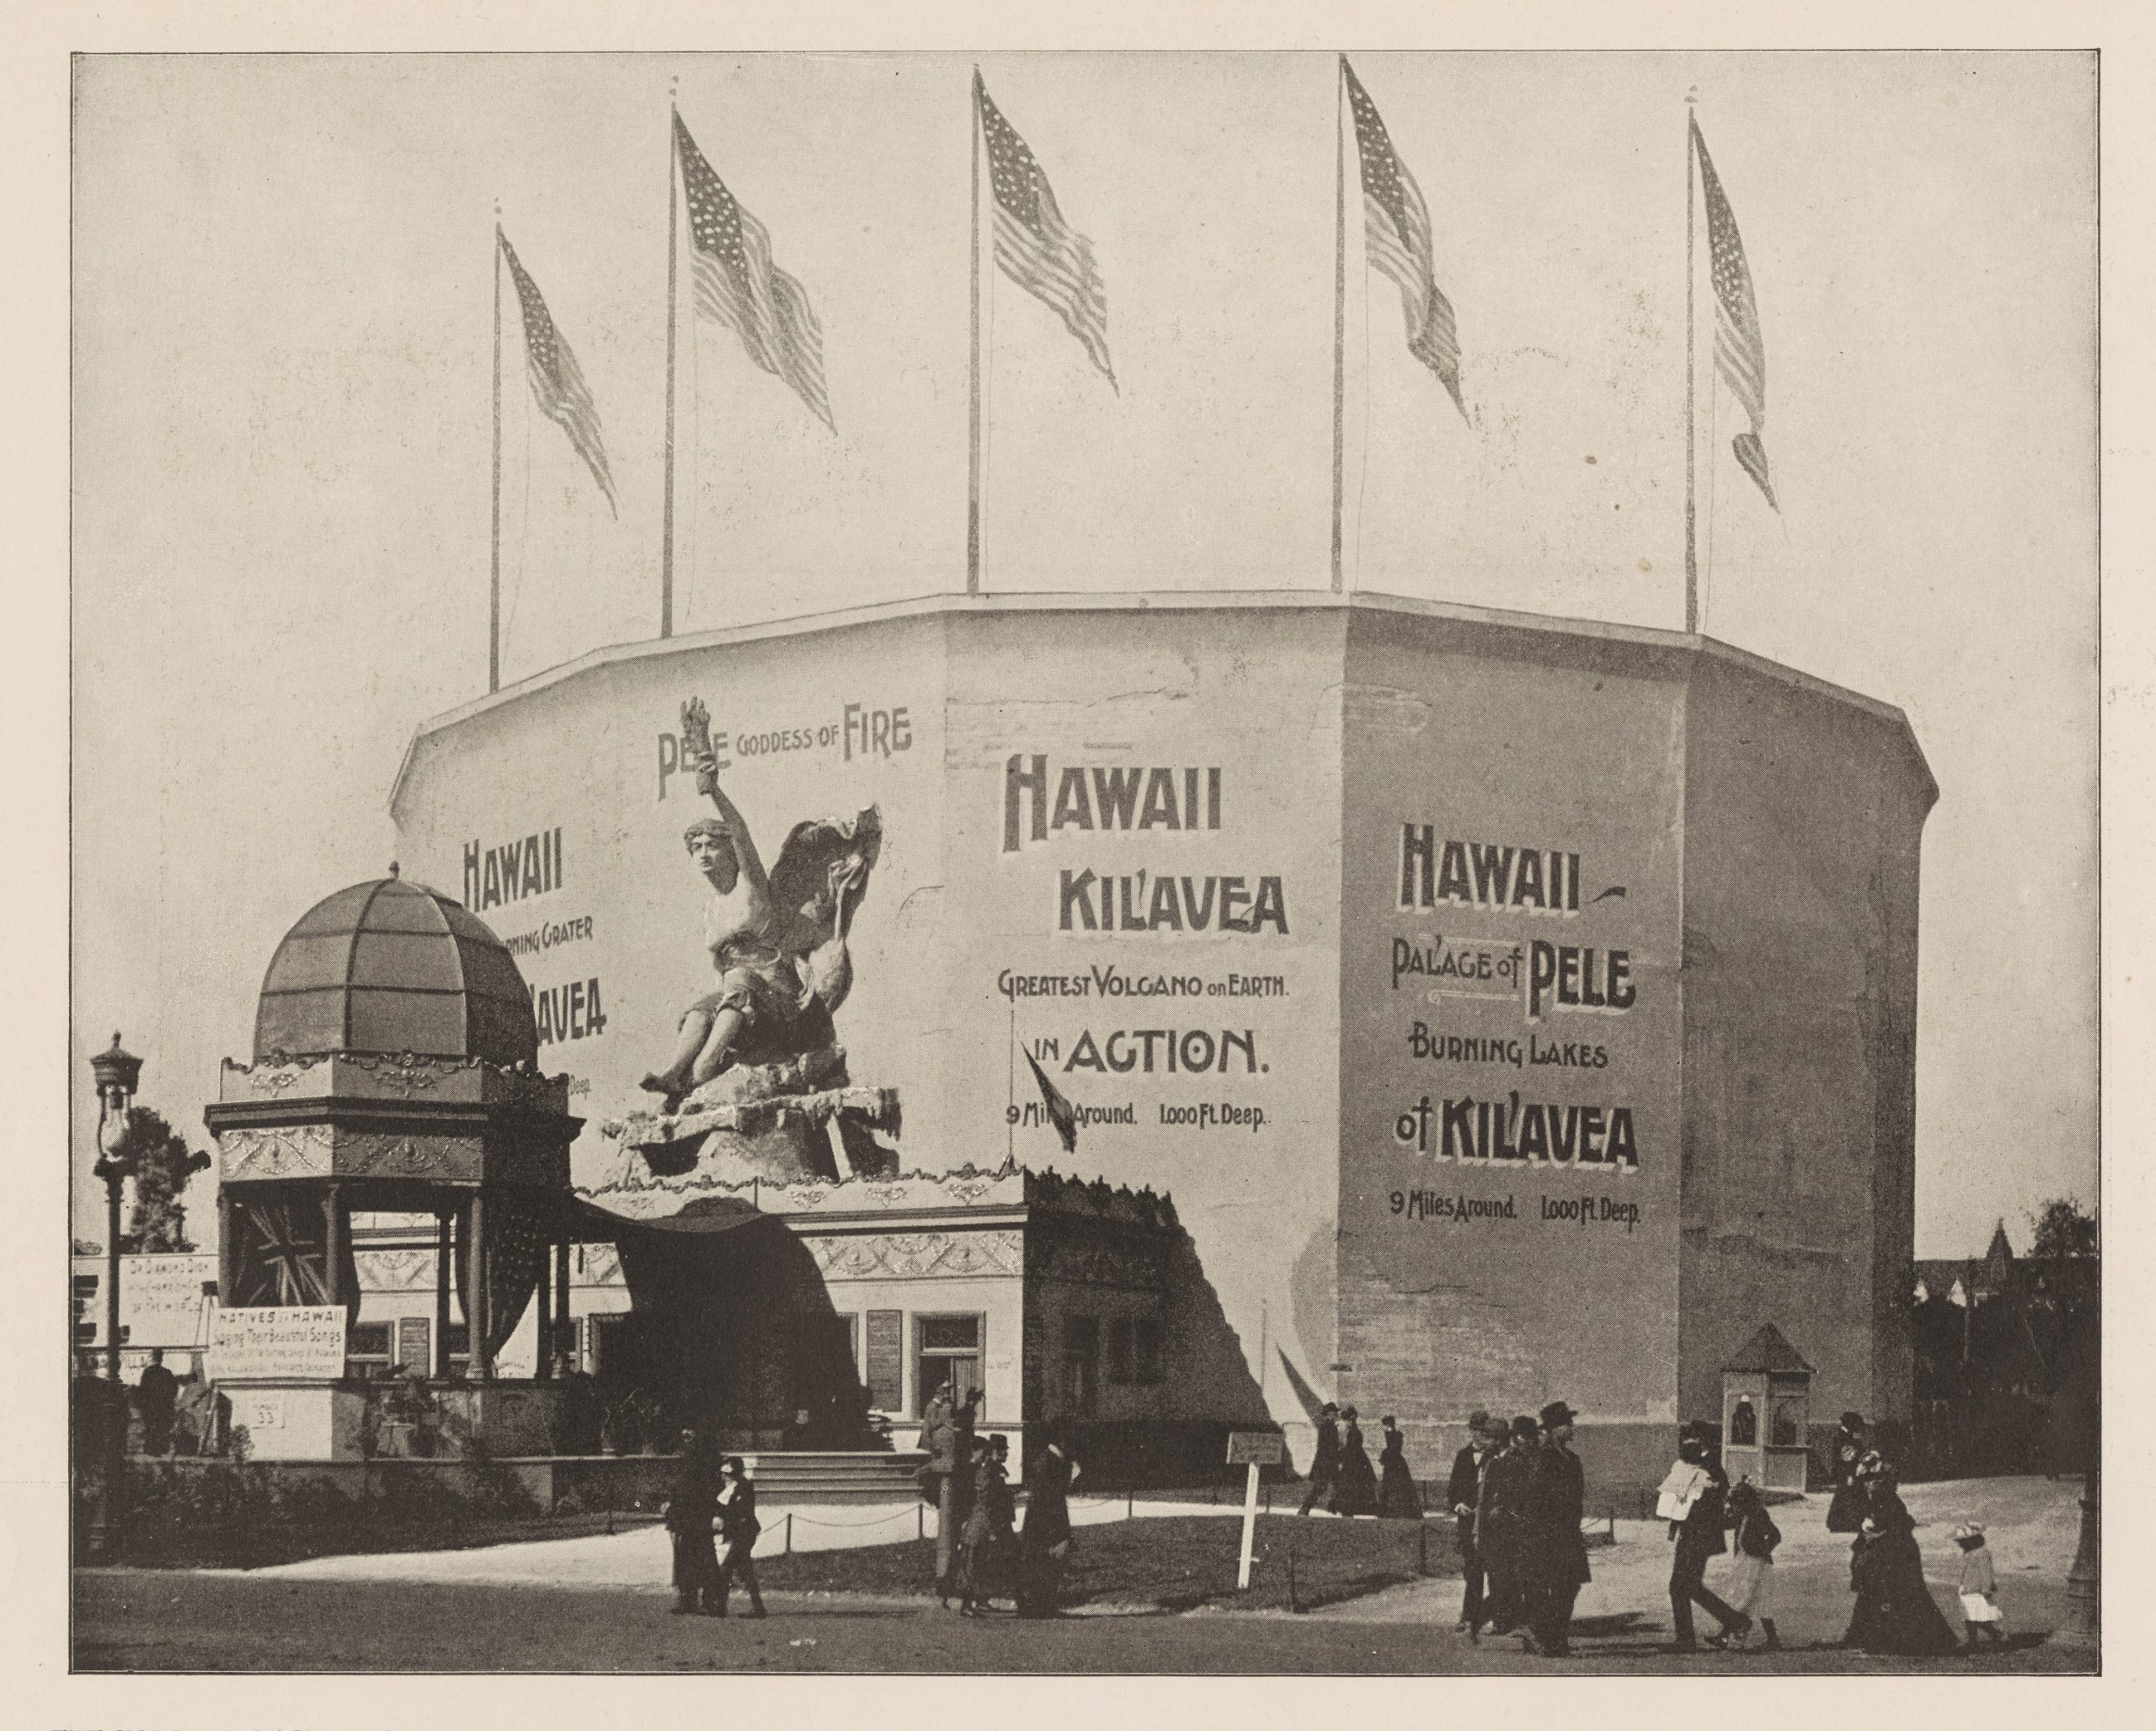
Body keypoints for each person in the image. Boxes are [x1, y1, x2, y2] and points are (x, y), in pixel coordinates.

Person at [639, 697, 879, 1106]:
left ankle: (699, 1073)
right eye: (695, 847)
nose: (702, 854)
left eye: (710, 845)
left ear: (729, 853)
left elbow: (739, 828)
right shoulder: (710, 913)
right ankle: (675, 1071)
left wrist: (709, 777)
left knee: (738, 986)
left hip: (780, 996)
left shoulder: (751, 888)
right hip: (744, 1002)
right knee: (700, 1011)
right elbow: (722, 966)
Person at [1841, 1456, 1960, 1654]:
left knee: (1894, 1594)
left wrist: (1873, 1532)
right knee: (1882, 1594)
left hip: (1896, 1554)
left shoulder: (1886, 1499)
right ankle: (1865, 1635)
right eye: (1869, 1479)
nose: (1871, 1483)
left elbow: (1894, 1526)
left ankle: (1892, 1640)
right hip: (1892, 1552)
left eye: (1875, 1478)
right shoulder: (1882, 1498)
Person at [1664, 1421, 1751, 1652]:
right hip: (1693, 1533)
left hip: (1699, 1534)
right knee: (1687, 1586)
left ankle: (1688, 1639)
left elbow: (1713, 1500)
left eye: (1689, 1438)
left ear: (1700, 1440)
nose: (1685, 1443)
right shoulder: (1698, 1464)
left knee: (1680, 1586)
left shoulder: (1708, 1465)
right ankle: (1734, 1622)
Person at [1524, 1400, 1589, 1657]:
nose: (1572, 1428)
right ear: (1553, 1429)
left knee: (1571, 1585)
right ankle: (1549, 1638)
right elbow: (1536, 1497)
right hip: (1548, 1533)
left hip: (1569, 1532)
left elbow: (1578, 1494)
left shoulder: (1573, 1459)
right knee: (1550, 1585)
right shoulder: (1543, 1458)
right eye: (1567, 1424)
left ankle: (1555, 1636)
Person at [1476, 1415, 1540, 1637]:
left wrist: (1503, 1507)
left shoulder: (1516, 1460)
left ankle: (1509, 1620)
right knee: (1496, 1575)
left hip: (1510, 1527)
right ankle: (1501, 1620)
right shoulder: (1492, 1460)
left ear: (1497, 1439)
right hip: (1493, 1528)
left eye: (1487, 1438)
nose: (1483, 1442)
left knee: (1508, 1575)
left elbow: (1522, 1493)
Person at [1447, 1412, 1503, 1637]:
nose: (1480, 1435)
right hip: (1468, 1522)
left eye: (1485, 1431)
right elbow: (1453, 1488)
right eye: (1478, 1430)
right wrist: (1458, 1504)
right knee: (1472, 1571)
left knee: (1494, 1571)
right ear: (1471, 1431)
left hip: (1488, 1522)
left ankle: (1497, 1618)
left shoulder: (1494, 1457)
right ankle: (1469, 1616)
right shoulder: (1463, 1456)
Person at [1017, 1424, 1080, 1617]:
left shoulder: (1052, 1459)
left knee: (1045, 1566)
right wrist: (1071, 1475)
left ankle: (1042, 1607)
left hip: (1043, 1524)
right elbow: (1051, 1497)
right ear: (1062, 1442)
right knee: (1043, 1565)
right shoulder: (1049, 1462)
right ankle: (1038, 1608)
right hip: (1044, 1525)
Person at [664, 1429, 723, 1615]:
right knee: (684, 1560)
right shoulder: (686, 1460)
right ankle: (687, 1600)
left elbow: (716, 1489)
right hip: (684, 1517)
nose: (686, 1438)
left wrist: (716, 1514)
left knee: (705, 1559)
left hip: (701, 1517)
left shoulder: (709, 1459)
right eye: (684, 1436)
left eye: (690, 1435)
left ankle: (710, 1601)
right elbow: (679, 1486)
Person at [957, 1435, 1015, 1617]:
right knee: (972, 1563)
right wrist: (991, 1530)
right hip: (980, 1524)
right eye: (1000, 1450)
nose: (1005, 1453)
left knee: (983, 1563)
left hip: (989, 1523)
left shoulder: (992, 1471)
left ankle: (979, 1600)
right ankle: (966, 1605)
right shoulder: (984, 1473)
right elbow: (985, 1501)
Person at [1721, 1479, 1783, 1651]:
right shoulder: (1743, 1515)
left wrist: (1763, 1551)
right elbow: (1729, 1526)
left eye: (1737, 1504)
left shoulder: (1758, 1514)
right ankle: (1772, 1639)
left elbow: (1775, 1535)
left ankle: (1725, 1637)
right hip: (1746, 1559)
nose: (1735, 1508)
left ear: (1745, 1502)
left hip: (1756, 1561)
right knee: (1751, 1599)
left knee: (1742, 1598)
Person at [712, 1456, 766, 1617]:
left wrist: (725, 1521)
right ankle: (758, 1608)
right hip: (740, 1534)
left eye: (727, 1473)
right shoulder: (730, 1487)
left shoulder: (743, 1487)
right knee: (745, 1570)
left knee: (727, 1568)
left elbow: (741, 1512)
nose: (723, 1476)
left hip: (744, 1534)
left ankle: (721, 1606)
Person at [1954, 1522, 2006, 1649]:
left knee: (1978, 1618)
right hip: (1967, 1589)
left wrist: (1986, 1589)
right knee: (1969, 1617)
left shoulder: (1982, 1553)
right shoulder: (1969, 1554)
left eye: (1963, 1541)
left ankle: (1995, 1633)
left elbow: (1986, 1572)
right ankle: (1974, 1641)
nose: (1960, 1544)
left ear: (1972, 1540)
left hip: (1977, 1590)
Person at [1331, 1405, 1380, 1516]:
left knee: (1349, 1484)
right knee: (1354, 1484)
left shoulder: (1348, 1429)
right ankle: (1350, 1508)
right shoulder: (1352, 1429)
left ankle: (1347, 1508)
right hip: (1357, 1460)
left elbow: (1345, 1446)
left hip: (1352, 1459)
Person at [1825, 1411, 1869, 1534]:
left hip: (1847, 1472)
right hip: (1847, 1472)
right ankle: (1845, 1523)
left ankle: (1841, 1523)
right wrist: (1850, 1474)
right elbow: (1848, 1458)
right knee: (1848, 1496)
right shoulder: (1844, 1438)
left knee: (1846, 1496)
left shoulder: (1844, 1436)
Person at [1298, 1402, 1342, 1515]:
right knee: (1322, 1487)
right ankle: (1306, 1508)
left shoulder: (1327, 1426)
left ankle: (1331, 1507)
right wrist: (1337, 1459)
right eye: (1334, 1412)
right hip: (1326, 1463)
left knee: (1333, 1486)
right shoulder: (1329, 1427)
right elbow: (1329, 1447)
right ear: (1329, 1414)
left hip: (1325, 1462)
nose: (1336, 1414)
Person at [1377, 1415, 1424, 1520]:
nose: (1383, 1428)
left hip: (1394, 1463)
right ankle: (1395, 1511)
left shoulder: (1394, 1435)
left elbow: (1393, 1449)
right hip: (1395, 1462)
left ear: (1388, 1425)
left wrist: (1385, 1455)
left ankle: (1395, 1511)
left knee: (1395, 1485)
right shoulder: (1393, 1434)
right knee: (1395, 1485)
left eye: (1384, 1425)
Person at [135, 1349, 179, 1456]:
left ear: (153, 1358)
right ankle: (161, 1449)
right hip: (164, 1407)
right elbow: (174, 1390)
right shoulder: (167, 1372)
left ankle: (151, 1449)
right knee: (161, 1428)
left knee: (151, 1427)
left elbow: (142, 1390)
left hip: (150, 1406)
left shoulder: (147, 1372)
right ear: (161, 1358)